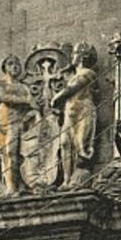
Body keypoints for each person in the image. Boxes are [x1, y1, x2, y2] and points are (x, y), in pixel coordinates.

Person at [51, 42, 99, 186]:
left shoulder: (88, 73)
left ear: (83, 56)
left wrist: (56, 98)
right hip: (69, 113)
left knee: (81, 145)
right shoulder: (74, 74)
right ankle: (66, 179)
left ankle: (78, 175)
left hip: (83, 111)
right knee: (65, 143)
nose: (73, 56)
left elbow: (73, 87)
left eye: (76, 53)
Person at [0, 55, 34, 196]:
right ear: (5, 67)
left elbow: (33, 105)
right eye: (10, 64)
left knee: (12, 152)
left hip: (15, 122)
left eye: (17, 64)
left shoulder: (23, 87)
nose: (14, 66)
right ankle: (11, 186)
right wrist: (25, 100)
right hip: (0, 121)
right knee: (3, 154)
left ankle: (16, 186)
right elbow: (2, 96)